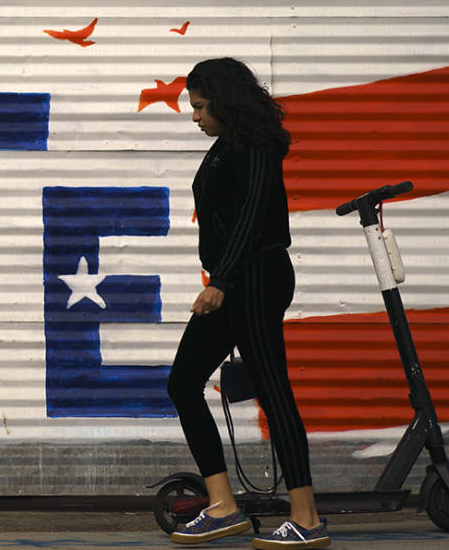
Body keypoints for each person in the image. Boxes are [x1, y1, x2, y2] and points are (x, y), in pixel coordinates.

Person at [166, 58, 329, 549]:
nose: (194, 116)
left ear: (224, 100)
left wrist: (220, 280)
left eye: (199, 106)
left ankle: (307, 519)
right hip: (234, 279)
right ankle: (223, 507)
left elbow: (252, 218)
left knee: (273, 389)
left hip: (256, 275)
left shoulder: (257, 147)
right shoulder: (223, 149)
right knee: (183, 382)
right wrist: (221, 279)